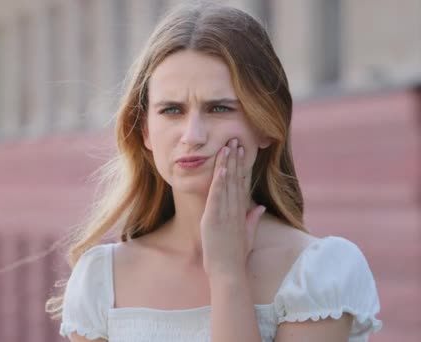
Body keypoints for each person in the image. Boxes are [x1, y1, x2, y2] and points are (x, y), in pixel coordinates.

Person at [45, 1, 382, 341]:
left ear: (267, 125)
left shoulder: (318, 273)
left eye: (219, 108)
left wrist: (227, 275)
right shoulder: (102, 281)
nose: (192, 136)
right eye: (172, 110)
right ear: (145, 131)